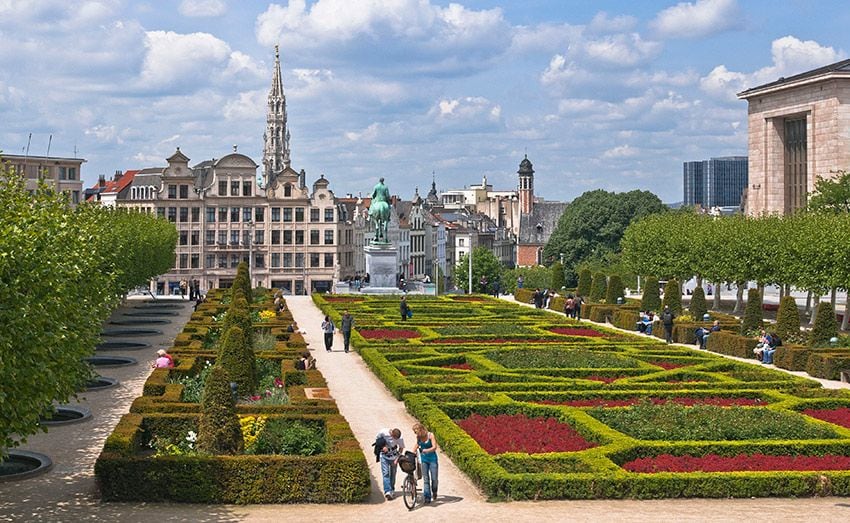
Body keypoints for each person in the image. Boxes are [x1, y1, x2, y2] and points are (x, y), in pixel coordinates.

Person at [412, 423, 439, 504]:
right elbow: (416, 445)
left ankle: (434, 491)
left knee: (434, 479)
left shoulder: (430, 435)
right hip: (424, 460)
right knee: (426, 479)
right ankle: (427, 497)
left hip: (433, 459)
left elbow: (435, 447)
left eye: (416, 432)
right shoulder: (418, 438)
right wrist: (412, 452)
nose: (415, 434)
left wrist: (427, 450)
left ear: (421, 430)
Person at [376, 427, 405, 500]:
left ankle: (392, 489)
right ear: (391, 434)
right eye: (394, 438)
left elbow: (401, 448)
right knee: (385, 473)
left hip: (394, 457)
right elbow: (377, 440)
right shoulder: (383, 432)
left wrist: (397, 458)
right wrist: (383, 446)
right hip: (384, 456)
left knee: (393, 474)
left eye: (396, 439)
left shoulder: (400, 438)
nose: (395, 440)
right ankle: (387, 491)